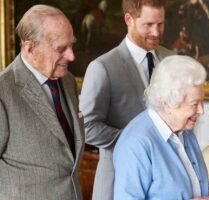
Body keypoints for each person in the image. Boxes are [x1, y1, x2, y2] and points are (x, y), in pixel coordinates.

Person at [79, 0, 173, 199]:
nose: (156, 32)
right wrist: (135, 140)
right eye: (148, 25)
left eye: (161, 24)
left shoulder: (172, 60)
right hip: (117, 182)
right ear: (128, 20)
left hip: (166, 185)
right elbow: (86, 127)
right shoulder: (102, 67)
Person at [113, 55, 209, 200]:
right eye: (194, 104)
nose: (201, 111)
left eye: (202, 102)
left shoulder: (184, 129)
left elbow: (182, 184)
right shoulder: (135, 144)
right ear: (168, 104)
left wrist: (208, 189)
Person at [0, 5, 84, 200]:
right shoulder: (4, 92)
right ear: (31, 48)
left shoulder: (68, 80)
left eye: (71, 45)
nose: (71, 56)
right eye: (61, 49)